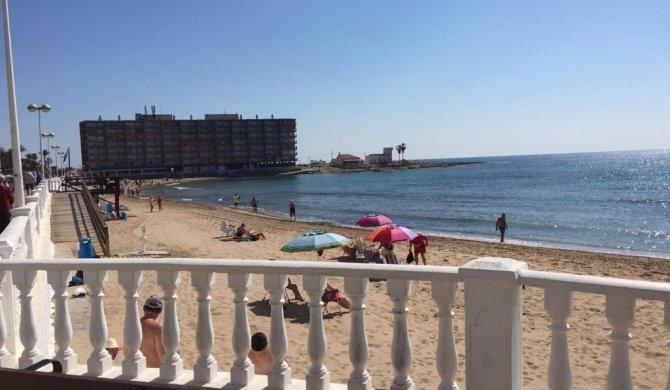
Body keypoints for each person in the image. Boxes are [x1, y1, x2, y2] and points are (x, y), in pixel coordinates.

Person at [139, 295, 165, 368]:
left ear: (144, 308)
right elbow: (163, 356)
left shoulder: (133, 324)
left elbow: (125, 352)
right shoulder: (157, 327)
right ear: (160, 311)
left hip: (137, 370)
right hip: (153, 373)